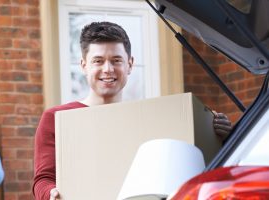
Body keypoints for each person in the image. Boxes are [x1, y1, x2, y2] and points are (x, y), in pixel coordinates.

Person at [32, 21, 232, 200]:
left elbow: (189, 168)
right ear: (84, 66)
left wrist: (218, 137)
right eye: (98, 61)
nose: (108, 69)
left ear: (130, 64)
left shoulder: (151, 120)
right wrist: (50, 194)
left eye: (116, 60)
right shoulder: (56, 118)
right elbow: (43, 179)